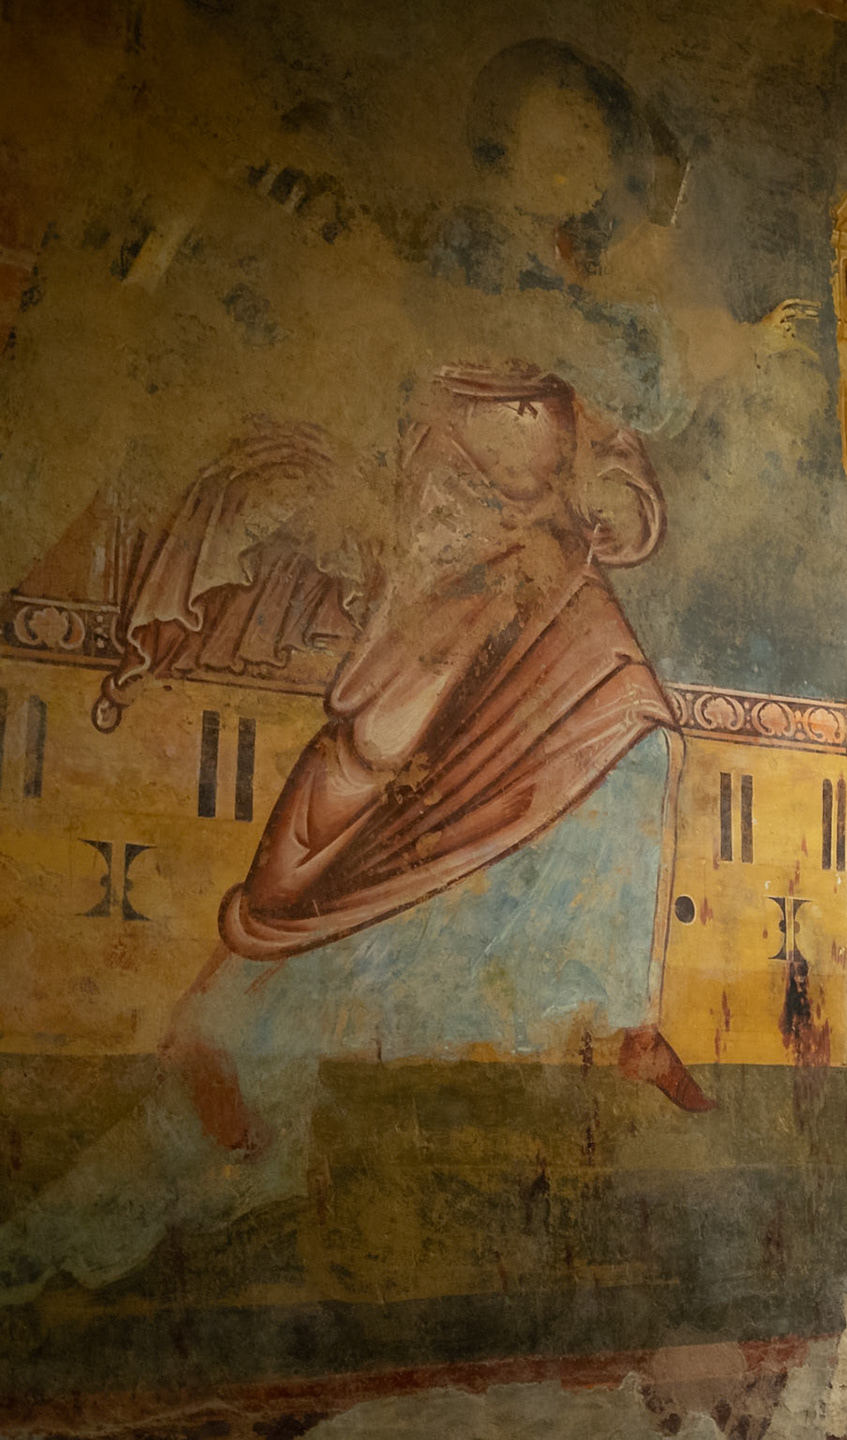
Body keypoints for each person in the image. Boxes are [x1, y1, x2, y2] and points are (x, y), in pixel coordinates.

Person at [0, 362, 707, 1305]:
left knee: (636, 731)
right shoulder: (430, 412)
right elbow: (421, 506)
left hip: (548, 617)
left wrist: (621, 505)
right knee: (335, 843)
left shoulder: (564, 397)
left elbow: (613, 449)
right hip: (445, 631)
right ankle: (224, 1050)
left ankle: (628, 1017)